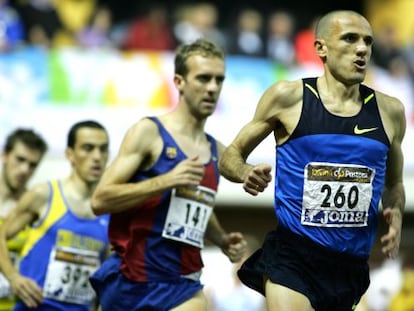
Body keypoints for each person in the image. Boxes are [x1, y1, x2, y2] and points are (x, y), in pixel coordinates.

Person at [218, 10, 406, 311]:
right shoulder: (288, 98)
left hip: (350, 265)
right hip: (293, 257)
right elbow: (230, 156)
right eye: (350, 39)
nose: (362, 49)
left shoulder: (390, 111)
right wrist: (245, 172)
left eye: (368, 42)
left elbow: (394, 183)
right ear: (321, 48)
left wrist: (395, 212)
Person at [90, 38, 247, 311]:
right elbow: (100, 200)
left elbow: (195, 205)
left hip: (181, 284)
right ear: (179, 82)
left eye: (218, 80)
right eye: (203, 78)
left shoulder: (215, 151)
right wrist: (167, 180)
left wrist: (221, 239)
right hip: (131, 278)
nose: (212, 88)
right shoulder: (149, 133)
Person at [0, 120, 111, 311]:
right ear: (70, 154)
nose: (97, 157)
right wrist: (13, 277)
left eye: (103, 149)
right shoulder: (43, 195)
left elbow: (106, 275)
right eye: (88, 148)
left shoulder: (111, 211)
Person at [0, 128, 47, 311]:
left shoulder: (36, 210)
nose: (24, 170)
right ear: (4, 154)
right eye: (20, 160)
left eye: (32, 165)